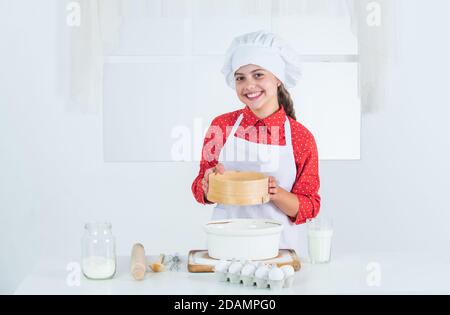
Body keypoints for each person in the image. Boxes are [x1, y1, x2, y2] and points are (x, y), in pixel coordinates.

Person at [191, 30, 321, 251]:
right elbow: (200, 190)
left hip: (276, 250)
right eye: (240, 78)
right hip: (225, 245)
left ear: (278, 78)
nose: (248, 85)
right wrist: (208, 183)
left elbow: (309, 206)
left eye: (258, 75)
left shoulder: (301, 137)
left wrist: (274, 192)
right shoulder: (222, 126)